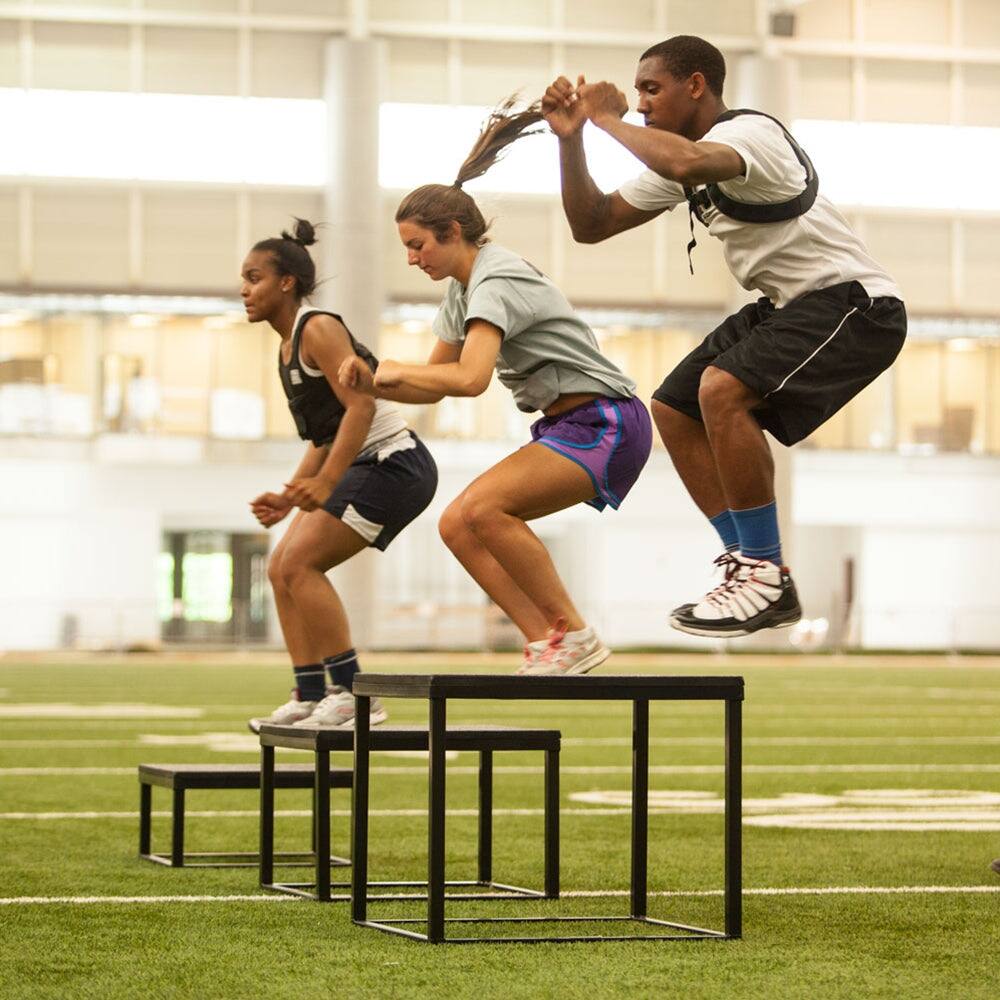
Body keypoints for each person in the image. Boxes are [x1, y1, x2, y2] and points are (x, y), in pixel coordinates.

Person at [542, 35, 906, 638]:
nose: (641, 104)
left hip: (858, 304)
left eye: (651, 90)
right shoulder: (676, 162)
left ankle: (762, 572)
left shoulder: (751, 136)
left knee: (721, 389)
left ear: (696, 85)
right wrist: (574, 138)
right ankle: (751, 567)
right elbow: (592, 223)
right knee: (674, 406)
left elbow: (685, 163)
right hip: (788, 305)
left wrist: (604, 118)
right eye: (635, 94)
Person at [339, 100, 653, 676]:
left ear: (453, 232)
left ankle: (575, 634)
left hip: (607, 421)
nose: (411, 259)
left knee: (485, 508)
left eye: (418, 245)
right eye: (406, 248)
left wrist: (392, 369)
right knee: (457, 524)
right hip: (569, 424)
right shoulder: (462, 291)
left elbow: (470, 378)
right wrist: (373, 383)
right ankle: (546, 642)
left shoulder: (496, 276)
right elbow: (433, 389)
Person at [242, 219, 438, 731]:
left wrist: (326, 483)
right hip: (362, 463)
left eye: (254, 277)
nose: (244, 289)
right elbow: (324, 437)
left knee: (302, 563)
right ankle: (309, 694)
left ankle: (356, 696)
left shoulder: (318, 328)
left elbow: (363, 406)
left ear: (287, 283)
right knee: (281, 566)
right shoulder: (285, 350)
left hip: (395, 463)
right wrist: (289, 497)